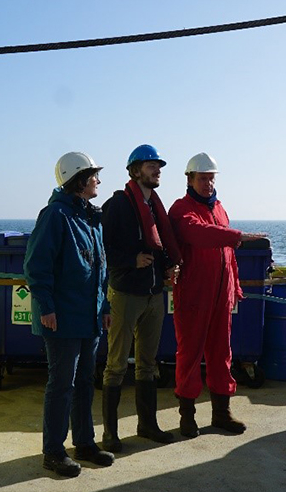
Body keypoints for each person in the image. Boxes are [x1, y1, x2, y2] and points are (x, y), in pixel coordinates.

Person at [24, 151, 116, 477]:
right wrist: (46, 308)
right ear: (79, 179)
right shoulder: (55, 216)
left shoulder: (89, 218)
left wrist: (103, 307)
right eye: (94, 176)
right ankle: (53, 451)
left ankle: (85, 443)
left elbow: (100, 268)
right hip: (62, 318)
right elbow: (37, 266)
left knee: (85, 384)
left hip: (88, 318)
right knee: (61, 385)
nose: (99, 181)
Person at [168, 152, 266, 437]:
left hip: (221, 295)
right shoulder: (181, 210)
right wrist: (238, 236)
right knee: (189, 353)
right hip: (194, 296)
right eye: (203, 178)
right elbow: (199, 233)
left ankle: (221, 413)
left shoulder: (220, 208)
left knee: (222, 353)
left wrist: (234, 286)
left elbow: (228, 256)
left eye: (211, 178)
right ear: (189, 179)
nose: (208, 183)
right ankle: (187, 415)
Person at [99, 144, 179, 452]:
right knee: (116, 364)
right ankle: (110, 434)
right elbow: (103, 249)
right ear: (135, 171)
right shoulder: (118, 205)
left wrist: (169, 264)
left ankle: (147, 425)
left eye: (158, 165)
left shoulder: (155, 207)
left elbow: (161, 245)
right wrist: (131, 260)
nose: (157, 170)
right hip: (126, 294)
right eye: (150, 165)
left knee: (148, 364)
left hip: (154, 294)